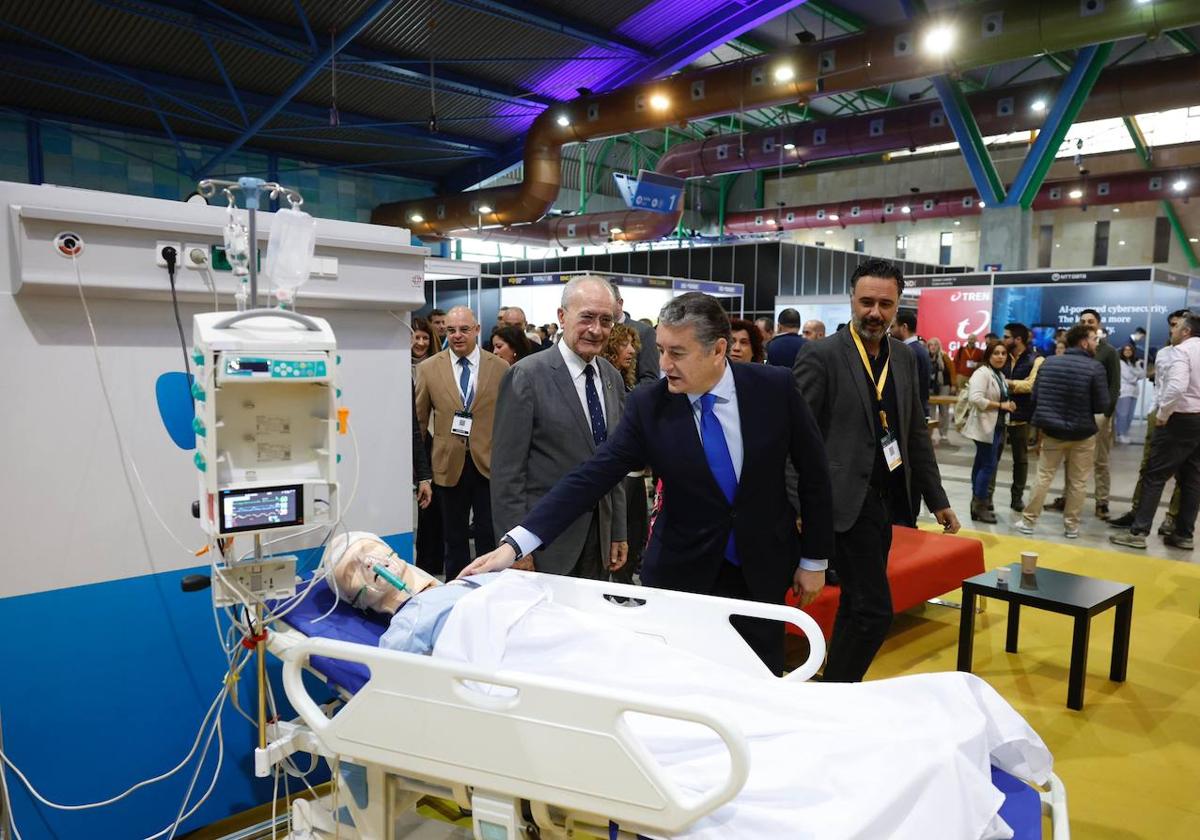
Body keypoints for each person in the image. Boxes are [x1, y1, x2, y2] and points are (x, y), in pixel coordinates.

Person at [467, 292, 835, 676]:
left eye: (677, 353)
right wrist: (517, 543)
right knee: (681, 683)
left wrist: (814, 558)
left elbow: (814, 473)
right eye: (660, 350)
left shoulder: (773, 388)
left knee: (759, 679)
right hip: (681, 575)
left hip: (761, 566)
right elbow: (591, 476)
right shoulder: (650, 404)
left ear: (718, 349)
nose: (663, 365)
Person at [794, 258, 959, 683]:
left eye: (885, 304)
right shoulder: (821, 354)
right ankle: (838, 692)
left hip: (889, 501)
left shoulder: (904, 358)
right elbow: (794, 438)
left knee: (856, 603)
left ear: (898, 304)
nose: (875, 313)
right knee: (874, 610)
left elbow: (914, 433)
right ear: (851, 299)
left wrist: (937, 498)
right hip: (841, 502)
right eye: (867, 302)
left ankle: (833, 684)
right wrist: (797, 505)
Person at [490, 276, 629, 580]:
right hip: (544, 543)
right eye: (587, 317)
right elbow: (507, 473)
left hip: (600, 539)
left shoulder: (611, 378)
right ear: (562, 317)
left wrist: (617, 528)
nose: (596, 329)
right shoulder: (526, 376)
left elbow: (614, 463)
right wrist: (516, 546)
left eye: (606, 320)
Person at [415, 306, 508, 579]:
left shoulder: (500, 368)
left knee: (488, 536)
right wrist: (421, 475)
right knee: (453, 539)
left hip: (489, 465)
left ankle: (490, 589)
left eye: (464, 330)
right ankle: (457, 594)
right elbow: (419, 425)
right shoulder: (429, 369)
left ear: (477, 330)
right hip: (447, 466)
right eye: (451, 330)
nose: (457, 336)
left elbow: (510, 421)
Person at [1110, 313, 1200, 551]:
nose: (1172, 330)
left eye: (1177, 326)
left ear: (1186, 331)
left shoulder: (1182, 351)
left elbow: (1177, 386)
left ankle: (1138, 532)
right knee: (1192, 479)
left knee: (1155, 475)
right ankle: (1184, 534)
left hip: (1180, 418)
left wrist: (1163, 414)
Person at [1015, 324, 1109, 540]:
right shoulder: (1095, 368)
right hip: (1083, 433)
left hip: (1052, 432)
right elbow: (1101, 405)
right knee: (1078, 481)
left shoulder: (1049, 363)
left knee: (1043, 476)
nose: (1097, 342)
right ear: (1084, 342)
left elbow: (1036, 397)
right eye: (1094, 339)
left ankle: (1029, 521)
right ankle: (1071, 526)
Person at [602, 323, 650, 585]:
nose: (631, 351)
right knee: (623, 535)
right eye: (624, 344)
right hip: (621, 476)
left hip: (636, 473)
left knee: (635, 534)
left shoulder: (626, 383)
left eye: (633, 344)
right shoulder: (608, 383)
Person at [988, 323, 1044, 513]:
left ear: (1017, 340)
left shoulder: (1036, 359)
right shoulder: (1000, 355)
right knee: (992, 458)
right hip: (998, 415)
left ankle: (1017, 498)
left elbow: (1031, 385)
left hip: (1021, 416)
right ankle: (987, 498)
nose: (1003, 340)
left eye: (1006, 336)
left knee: (1020, 460)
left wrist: (1005, 383)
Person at [962, 341, 1016, 523]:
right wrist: (1001, 405)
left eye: (1003, 353)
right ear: (988, 355)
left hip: (996, 426)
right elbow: (975, 398)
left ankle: (976, 503)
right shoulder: (982, 373)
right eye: (996, 353)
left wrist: (1007, 404)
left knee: (981, 464)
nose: (1000, 356)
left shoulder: (998, 374)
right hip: (985, 427)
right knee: (987, 466)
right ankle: (980, 505)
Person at [411, 316, 442, 576]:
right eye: (415, 337)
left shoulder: (437, 367)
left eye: (424, 338)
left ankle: (431, 564)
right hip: (410, 439)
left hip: (434, 441)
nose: (420, 343)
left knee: (433, 509)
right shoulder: (396, 367)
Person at [613, 284, 660, 384]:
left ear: (620, 303)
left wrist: (623, 397)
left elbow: (650, 378)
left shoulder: (644, 332)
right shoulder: (599, 331)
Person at [890, 311, 931, 419]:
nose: (890, 331)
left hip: (911, 412)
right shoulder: (920, 349)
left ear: (904, 327)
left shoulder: (909, 351)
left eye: (893, 327)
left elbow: (909, 386)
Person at [926, 337, 954, 444]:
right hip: (930, 387)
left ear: (939, 346)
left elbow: (952, 371)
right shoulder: (925, 356)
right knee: (930, 411)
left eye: (935, 345)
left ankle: (944, 434)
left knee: (944, 410)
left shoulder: (944, 356)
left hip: (944, 386)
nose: (933, 347)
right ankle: (930, 434)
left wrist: (953, 385)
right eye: (931, 345)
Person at [1115, 343, 1145, 444]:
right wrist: (1136, 374)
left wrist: (1137, 367)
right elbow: (1129, 378)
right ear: (1122, 351)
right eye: (1125, 350)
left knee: (1130, 415)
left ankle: (1124, 433)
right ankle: (1120, 434)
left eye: (1130, 350)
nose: (1127, 351)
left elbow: (1142, 375)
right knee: (1123, 414)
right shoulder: (1120, 362)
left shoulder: (1132, 362)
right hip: (1124, 392)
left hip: (1134, 392)